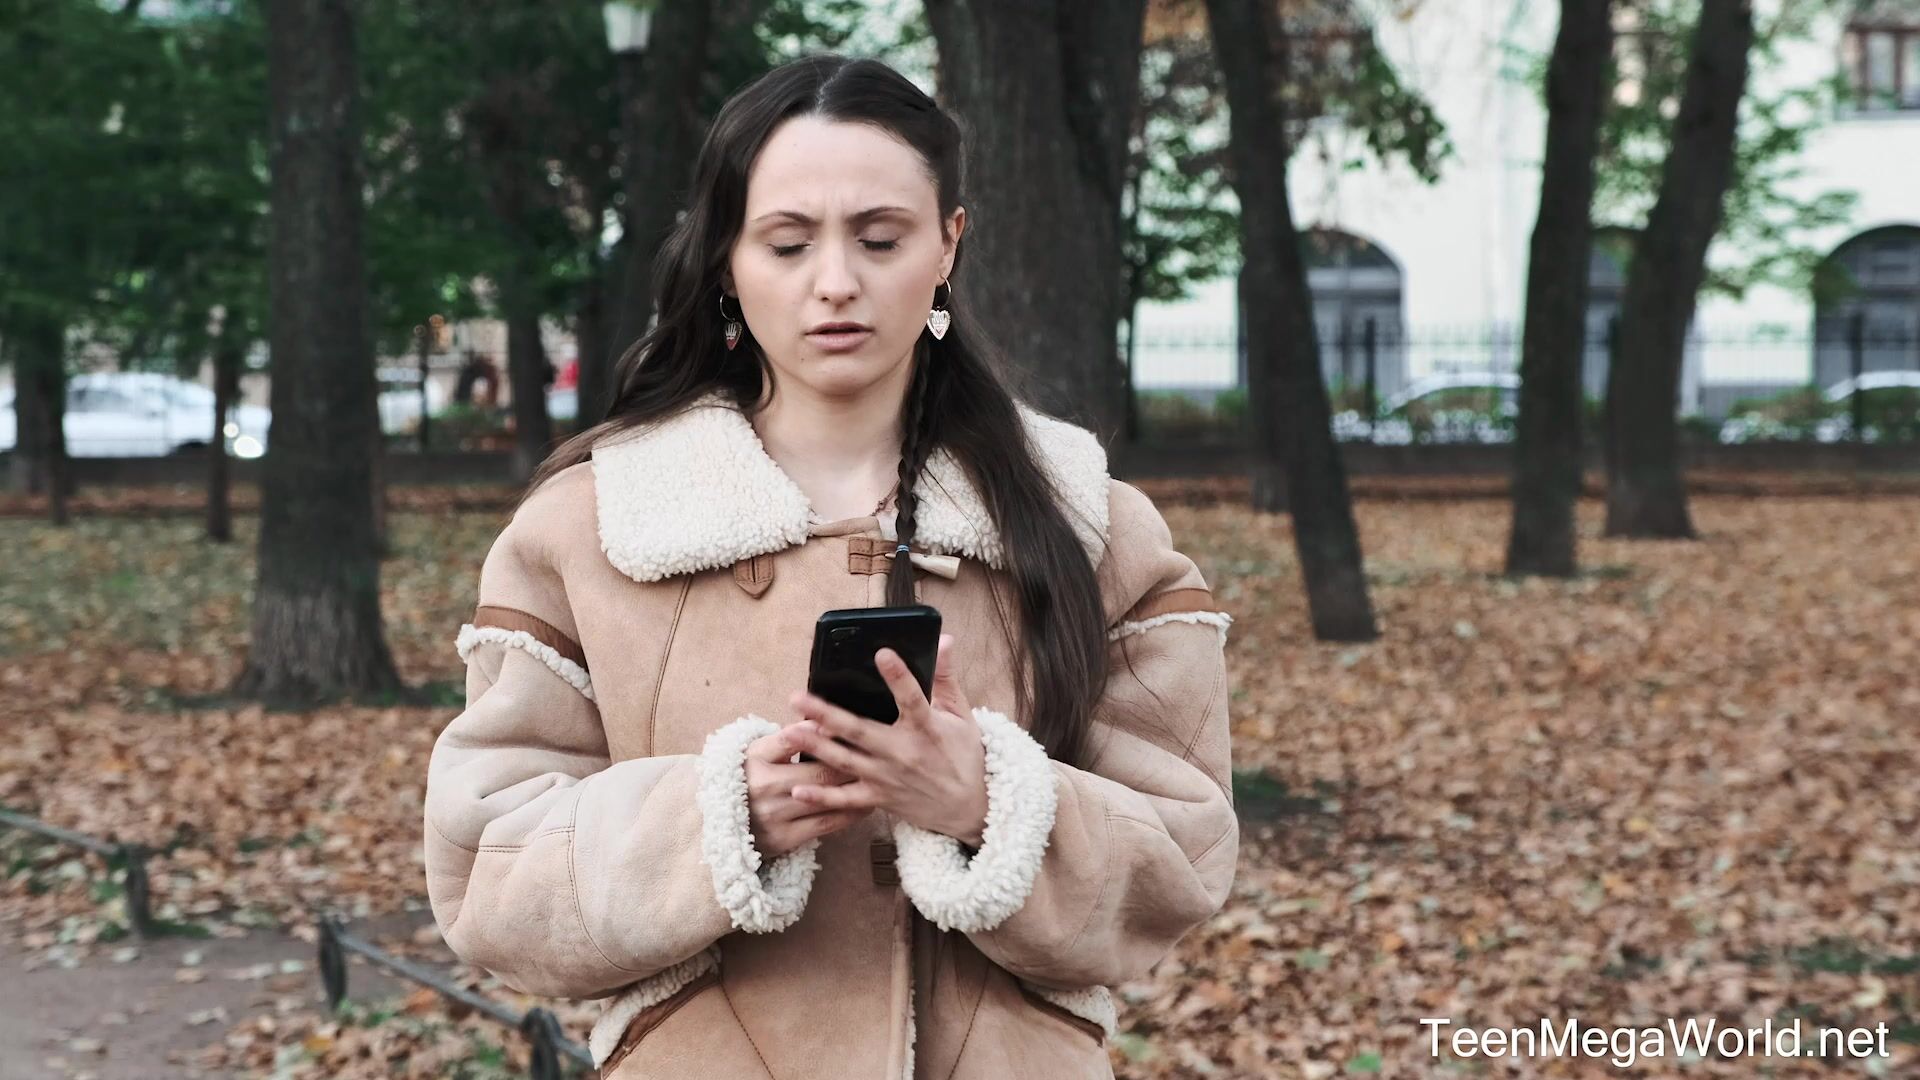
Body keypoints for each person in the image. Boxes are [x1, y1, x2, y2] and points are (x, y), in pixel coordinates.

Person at [423, 54, 1238, 1080]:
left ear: (948, 244)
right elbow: (485, 866)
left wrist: (985, 803)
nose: (837, 282)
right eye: (788, 242)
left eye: (881, 238)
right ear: (728, 260)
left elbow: (1185, 852)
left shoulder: (1089, 524)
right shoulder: (592, 528)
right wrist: (720, 818)